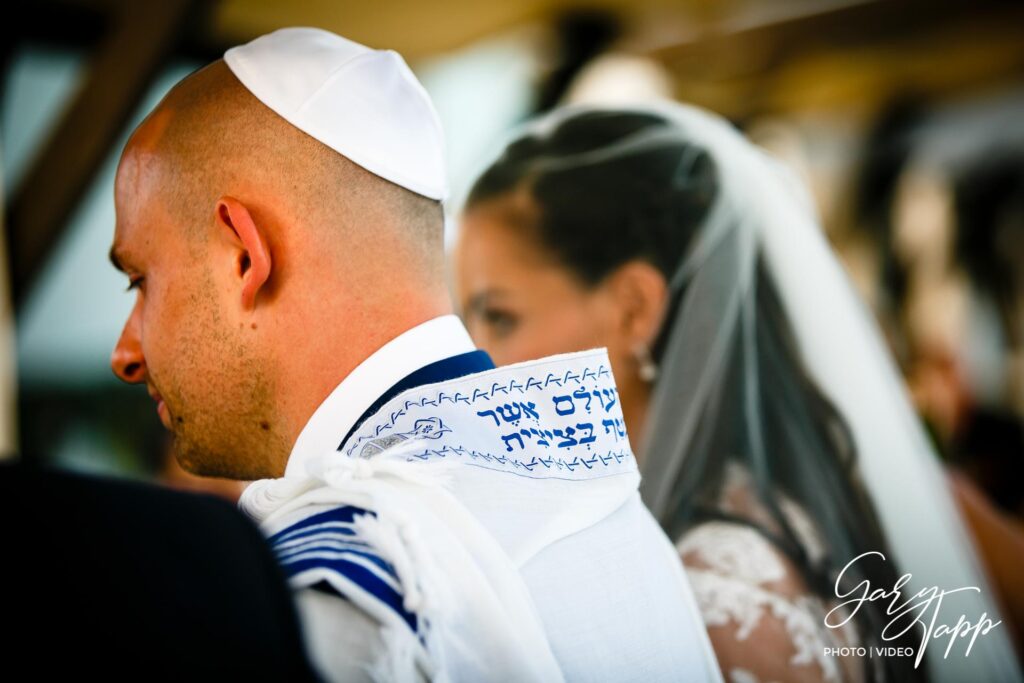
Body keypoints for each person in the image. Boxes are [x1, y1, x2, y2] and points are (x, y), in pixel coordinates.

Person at [107, 27, 723, 682]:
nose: (126, 351)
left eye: (142, 279)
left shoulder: (348, 594)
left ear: (243, 256)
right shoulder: (610, 515)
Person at [455, 104, 1023, 683]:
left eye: (498, 317)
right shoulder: (795, 504)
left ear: (634, 309)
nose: (474, 361)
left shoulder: (713, 600)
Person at [0, 458, 319, 680]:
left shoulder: (276, 574)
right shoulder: (132, 586)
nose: (199, 507)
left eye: (218, 496)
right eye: (183, 488)